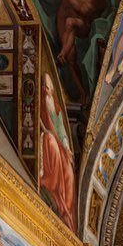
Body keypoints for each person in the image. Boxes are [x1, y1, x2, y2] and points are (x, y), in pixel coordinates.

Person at [31, 0, 110, 103]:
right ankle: (81, 93)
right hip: (62, 18)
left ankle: (63, 54)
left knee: (71, 23)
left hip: (81, 26)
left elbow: (92, 22)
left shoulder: (100, 2)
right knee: (70, 58)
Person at [39, 74, 76, 231]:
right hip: (47, 137)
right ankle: (53, 188)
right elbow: (38, 119)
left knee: (69, 169)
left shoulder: (56, 106)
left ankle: (65, 208)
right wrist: (45, 130)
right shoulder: (41, 101)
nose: (46, 89)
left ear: (53, 88)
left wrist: (67, 147)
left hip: (60, 143)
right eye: (44, 86)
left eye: (48, 86)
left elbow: (61, 129)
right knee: (50, 141)